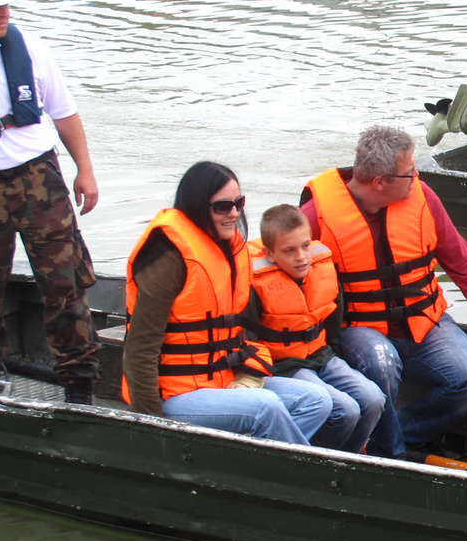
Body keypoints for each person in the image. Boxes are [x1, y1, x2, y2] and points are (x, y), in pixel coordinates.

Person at [300, 125, 467, 459]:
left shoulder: (423, 198)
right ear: (379, 181)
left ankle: (401, 436)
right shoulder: (314, 217)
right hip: (358, 330)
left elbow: (463, 263)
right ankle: (393, 458)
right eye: (409, 172)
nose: (417, 176)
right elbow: (281, 280)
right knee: (382, 365)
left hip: (423, 321)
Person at [122, 162, 333, 445]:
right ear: (198, 205)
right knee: (265, 408)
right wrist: (152, 424)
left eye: (238, 203)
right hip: (176, 393)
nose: (234, 213)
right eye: (223, 206)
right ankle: (306, 479)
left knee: (317, 399)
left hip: (223, 378)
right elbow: (140, 349)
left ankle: (248, 470)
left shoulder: (229, 248)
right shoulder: (168, 257)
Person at [0, 0, 100, 406]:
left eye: (4, 5)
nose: (2, 13)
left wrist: (85, 170)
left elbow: (64, 114)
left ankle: (79, 381)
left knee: (64, 282)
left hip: (39, 177)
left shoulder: (33, 50)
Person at [243, 204, 386, 453]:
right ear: (270, 253)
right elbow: (247, 339)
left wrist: (332, 351)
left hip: (322, 355)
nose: (301, 257)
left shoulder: (322, 269)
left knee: (373, 399)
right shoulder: (255, 286)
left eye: (306, 246)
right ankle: (317, 459)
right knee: (346, 409)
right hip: (285, 365)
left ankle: (347, 456)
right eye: (289, 250)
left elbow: (333, 320)